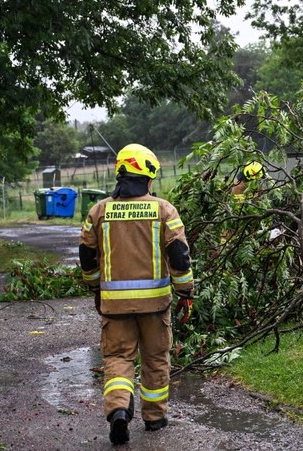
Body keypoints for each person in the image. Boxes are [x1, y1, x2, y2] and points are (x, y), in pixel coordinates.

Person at [80, 143, 194, 445]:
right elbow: (179, 257)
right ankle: (154, 418)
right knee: (155, 358)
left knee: (118, 358)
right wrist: (186, 291)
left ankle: (119, 409)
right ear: (148, 174)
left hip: (114, 307)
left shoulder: (99, 211)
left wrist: (95, 287)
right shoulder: (163, 210)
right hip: (155, 306)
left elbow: (86, 257)